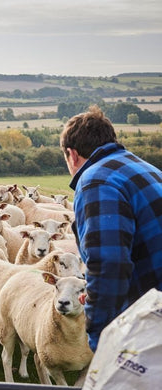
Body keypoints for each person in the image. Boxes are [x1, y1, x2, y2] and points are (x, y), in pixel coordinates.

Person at [61, 105, 162, 352]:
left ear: (72, 155)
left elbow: (108, 264)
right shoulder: (145, 168)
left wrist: (100, 338)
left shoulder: (96, 180)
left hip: (153, 324)